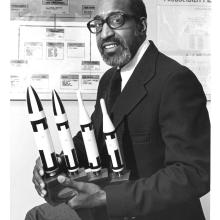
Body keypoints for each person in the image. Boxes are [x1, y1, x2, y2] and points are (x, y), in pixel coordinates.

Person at [26, 0, 210, 219]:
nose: (104, 33)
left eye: (116, 20)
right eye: (98, 24)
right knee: (38, 215)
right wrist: (56, 162)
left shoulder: (175, 80)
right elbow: (92, 138)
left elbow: (195, 173)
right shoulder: (110, 79)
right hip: (112, 203)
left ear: (141, 26)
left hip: (151, 211)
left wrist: (107, 197)